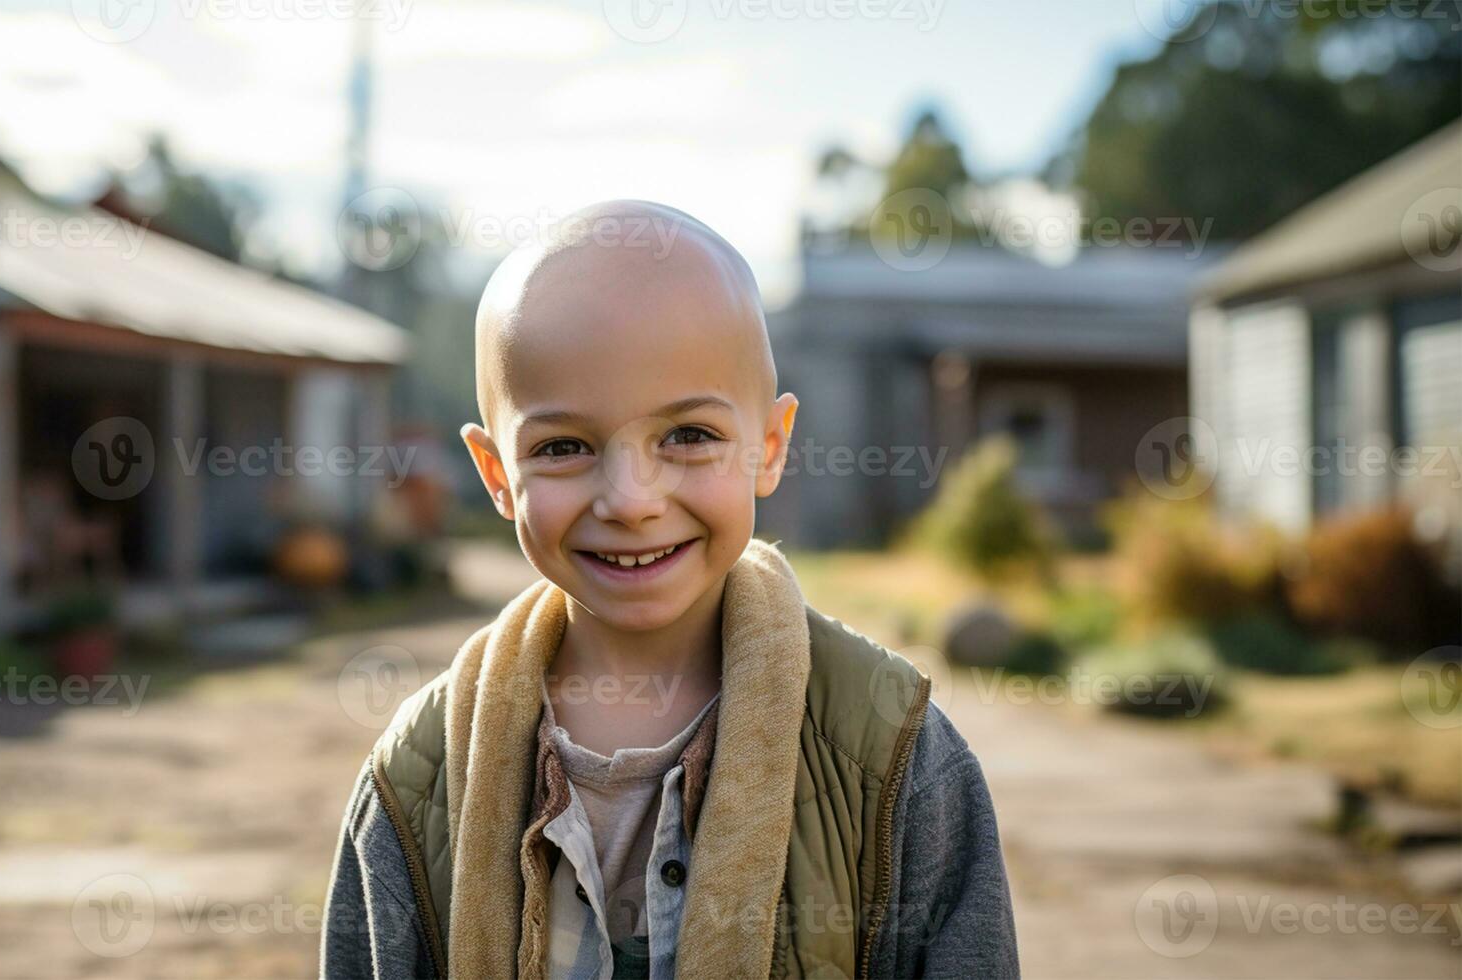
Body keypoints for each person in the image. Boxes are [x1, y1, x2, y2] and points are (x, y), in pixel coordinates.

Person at [321, 200, 1018, 979]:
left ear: (769, 446)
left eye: (689, 436)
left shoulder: (891, 755)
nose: (631, 498)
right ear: (495, 476)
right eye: (562, 446)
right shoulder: (418, 776)